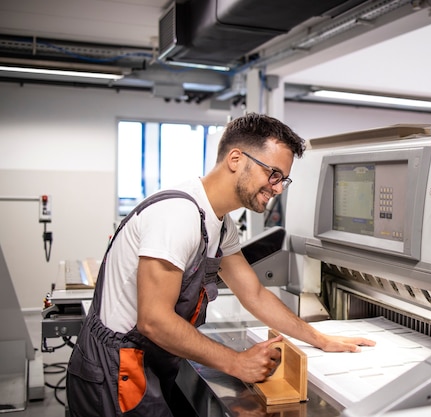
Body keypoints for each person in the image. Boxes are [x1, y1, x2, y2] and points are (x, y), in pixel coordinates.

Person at [66, 113, 376, 417]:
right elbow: (154, 320)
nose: (278, 188)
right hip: (115, 369)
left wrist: (319, 338)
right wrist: (236, 362)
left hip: (149, 360)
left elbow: (252, 293)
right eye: (274, 174)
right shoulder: (178, 215)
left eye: (284, 179)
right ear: (236, 159)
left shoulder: (220, 224)